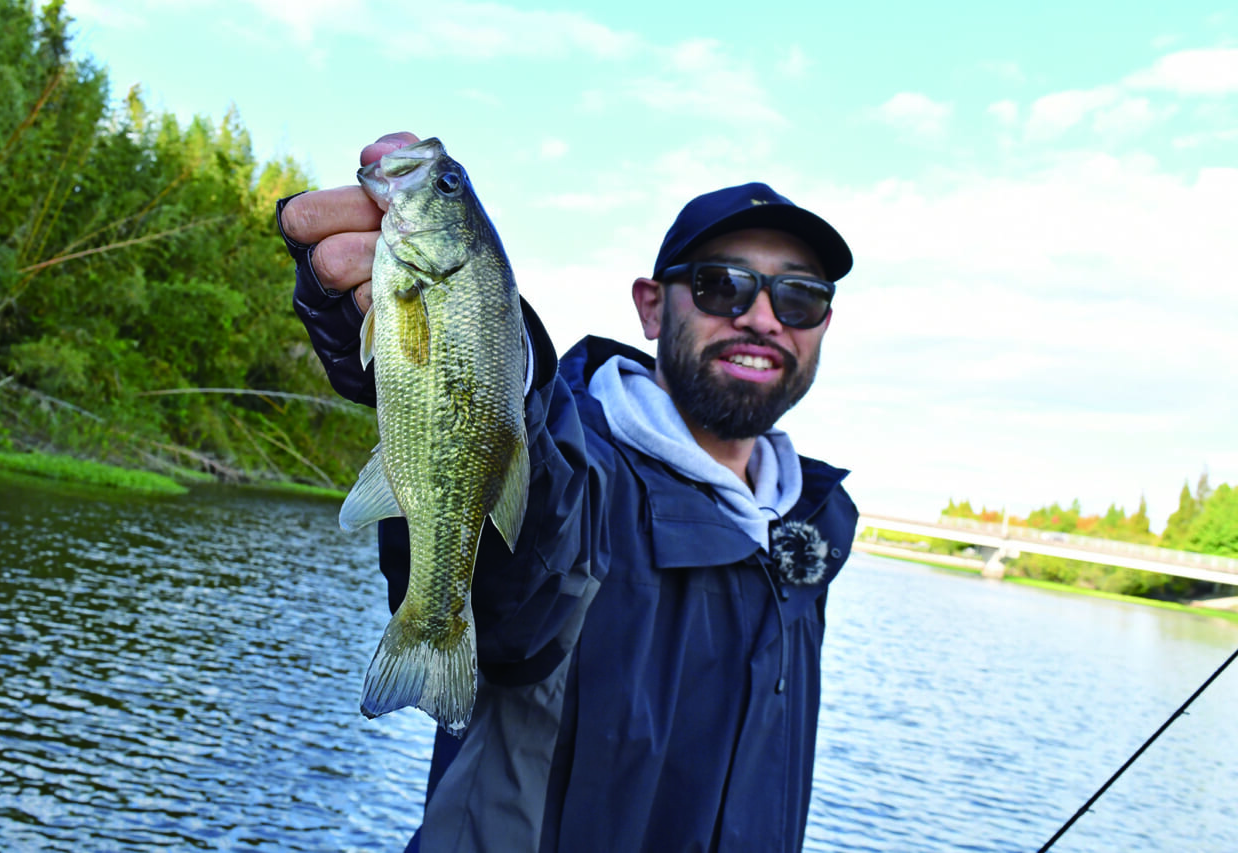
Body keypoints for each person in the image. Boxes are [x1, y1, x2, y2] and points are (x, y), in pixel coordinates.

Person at [276, 132, 859, 853]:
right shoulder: (583, 472)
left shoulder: (808, 529)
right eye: (722, 284)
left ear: (823, 324)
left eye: (799, 296)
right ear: (651, 306)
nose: (763, 317)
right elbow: (524, 583)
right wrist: (484, 359)